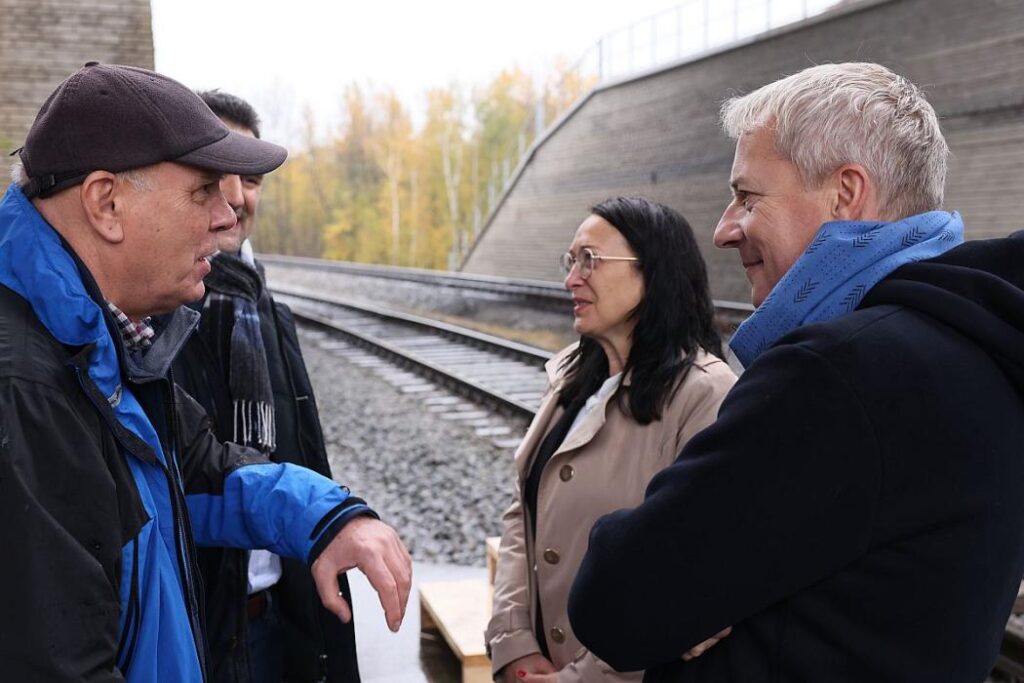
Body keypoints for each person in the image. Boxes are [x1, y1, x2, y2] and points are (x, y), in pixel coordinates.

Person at [568, 62, 1024, 681]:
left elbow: (616, 601)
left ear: (845, 194)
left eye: (747, 197)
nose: (723, 230)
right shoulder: (979, 347)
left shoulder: (840, 373)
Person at [0, 62, 411, 682]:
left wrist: (323, 515)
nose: (228, 217)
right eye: (203, 192)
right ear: (106, 204)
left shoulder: (103, 342)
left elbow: (198, 471)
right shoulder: (24, 389)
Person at [486, 197, 737, 683]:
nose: (571, 279)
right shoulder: (570, 377)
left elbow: (689, 571)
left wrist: (580, 678)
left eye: (590, 260)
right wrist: (514, 643)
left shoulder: (704, 394)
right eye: (570, 260)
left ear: (653, 271)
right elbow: (522, 512)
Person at [170, 89, 360, 683]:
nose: (236, 195)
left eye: (251, 178)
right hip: (198, 628)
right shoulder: (152, 313)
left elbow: (303, 456)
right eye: (215, 175)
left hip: (279, 613)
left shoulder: (267, 310)